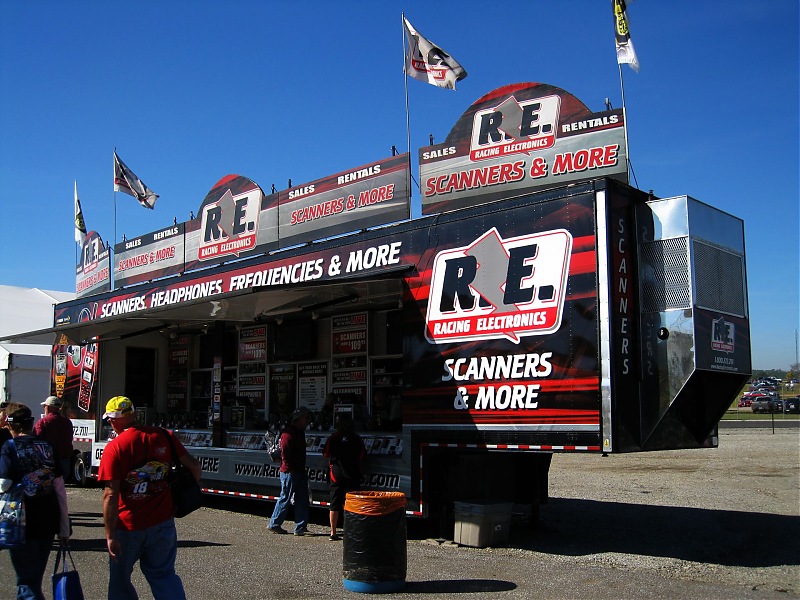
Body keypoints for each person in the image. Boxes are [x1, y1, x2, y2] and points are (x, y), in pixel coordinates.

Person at [97, 396, 201, 600]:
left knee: (120, 581)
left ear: (116, 420)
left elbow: (110, 495)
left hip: (128, 526)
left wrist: (110, 535)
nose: (109, 423)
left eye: (109, 419)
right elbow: (194, 467)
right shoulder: (164, 435)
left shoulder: (115, 448)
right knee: (163, 575)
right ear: (133, 414)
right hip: (163, 521)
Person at [0, 402, 70, 600]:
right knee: (34, 578)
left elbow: (3, 483)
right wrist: (64, 527)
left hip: (21, 521)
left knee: (26, 581)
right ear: (31, 423)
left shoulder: (10, 447)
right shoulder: (47, 447)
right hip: (48, 518)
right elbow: (60, 489)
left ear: (9, 425)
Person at [268, 406, 311, 536]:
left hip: (297, 470)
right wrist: (290, 467)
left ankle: (300, 526)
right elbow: (285, 452)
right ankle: (274, 523)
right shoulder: (288, 433)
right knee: (285, 497)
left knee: (302, 499)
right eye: (305, 418)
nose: (307, 421)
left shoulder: (298, 432)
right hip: (290, 471)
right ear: (299, 419)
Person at [322, 413, 365, 540]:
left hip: (336, 474)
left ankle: (333, 532)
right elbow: (362, 456)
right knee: (352, 502)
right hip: (352, 474)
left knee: (334, 503)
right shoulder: (356, 438)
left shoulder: (333, 437)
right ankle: (352, 531)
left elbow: (325, 454)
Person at [34, 395, 74, 479]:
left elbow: (37, 440)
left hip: (48, 461)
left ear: (47, 407)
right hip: (64, 459)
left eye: (44, 406)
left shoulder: (43, 422)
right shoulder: (67, 422)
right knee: (60, 486)